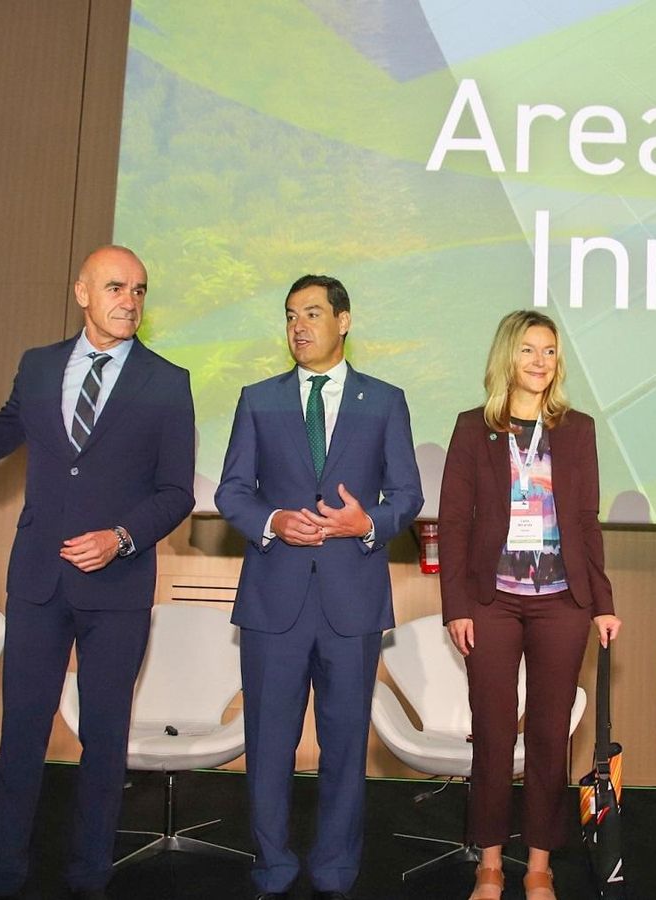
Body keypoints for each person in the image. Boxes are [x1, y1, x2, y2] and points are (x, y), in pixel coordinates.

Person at [0, 245, 196, 900]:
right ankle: (1, 875)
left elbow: (176, 492)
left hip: (118, 589)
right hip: (37, 582)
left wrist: (120, 538)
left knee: (104, 743)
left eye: (139, 290)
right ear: (82, 293)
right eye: (116, 287)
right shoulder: (39, 366)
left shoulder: (168, 381)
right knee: (21, 735)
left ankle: (88, 878)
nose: (130, 301)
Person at [215, 274, 423, 900]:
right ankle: (272, 867)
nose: (298, 327)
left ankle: (335, 870)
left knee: (344, 746)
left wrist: (368, 524)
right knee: (268, 747)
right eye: (290, 316)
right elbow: (232, 491)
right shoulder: (259, 399)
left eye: (311, 313)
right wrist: (274, 521)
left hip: (351, 601)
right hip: (273, 600)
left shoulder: (384, 401)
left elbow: (408, 495)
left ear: (343, 320)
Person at [438, 310, 620, 900]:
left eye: (549, 351)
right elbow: (454, 522)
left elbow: (587, 521)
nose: (540, 361)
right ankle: (489, 864)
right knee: (492, 735)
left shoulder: (577, 429)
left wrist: (602, 602)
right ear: (506, 357)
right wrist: (456, 605)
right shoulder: (473, 428)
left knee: (549, 736)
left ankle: (539, 865)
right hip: (491, 603)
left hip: (562, 603)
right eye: (528, 350)